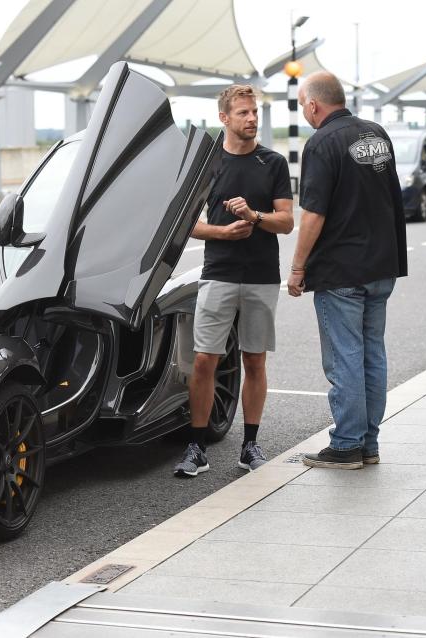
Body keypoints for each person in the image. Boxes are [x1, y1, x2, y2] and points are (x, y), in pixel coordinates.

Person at [287, 71, 408, 470]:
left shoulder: (321, 142)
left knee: (345, 358)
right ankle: (368, 443)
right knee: (372, 354)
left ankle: (346, 445)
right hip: (381, 265)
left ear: (313, 104)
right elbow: (393, 199)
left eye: (303, 104)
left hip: (341, 271)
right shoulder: (376, 134)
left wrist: (298, 267)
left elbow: (314, 214)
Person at [174, 85, 294, 478]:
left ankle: (250, 445)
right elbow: (186, 223)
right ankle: (197, 448)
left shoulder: (272, 162)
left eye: (254, 112)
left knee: (254, 360)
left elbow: (287, 221)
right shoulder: (209, 164)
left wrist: (255, 216)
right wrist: (223, 233)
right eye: (243, 112)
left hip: (261, 276)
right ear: (224, 118)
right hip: (219, 273)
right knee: (205, 360)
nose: (251, 119)